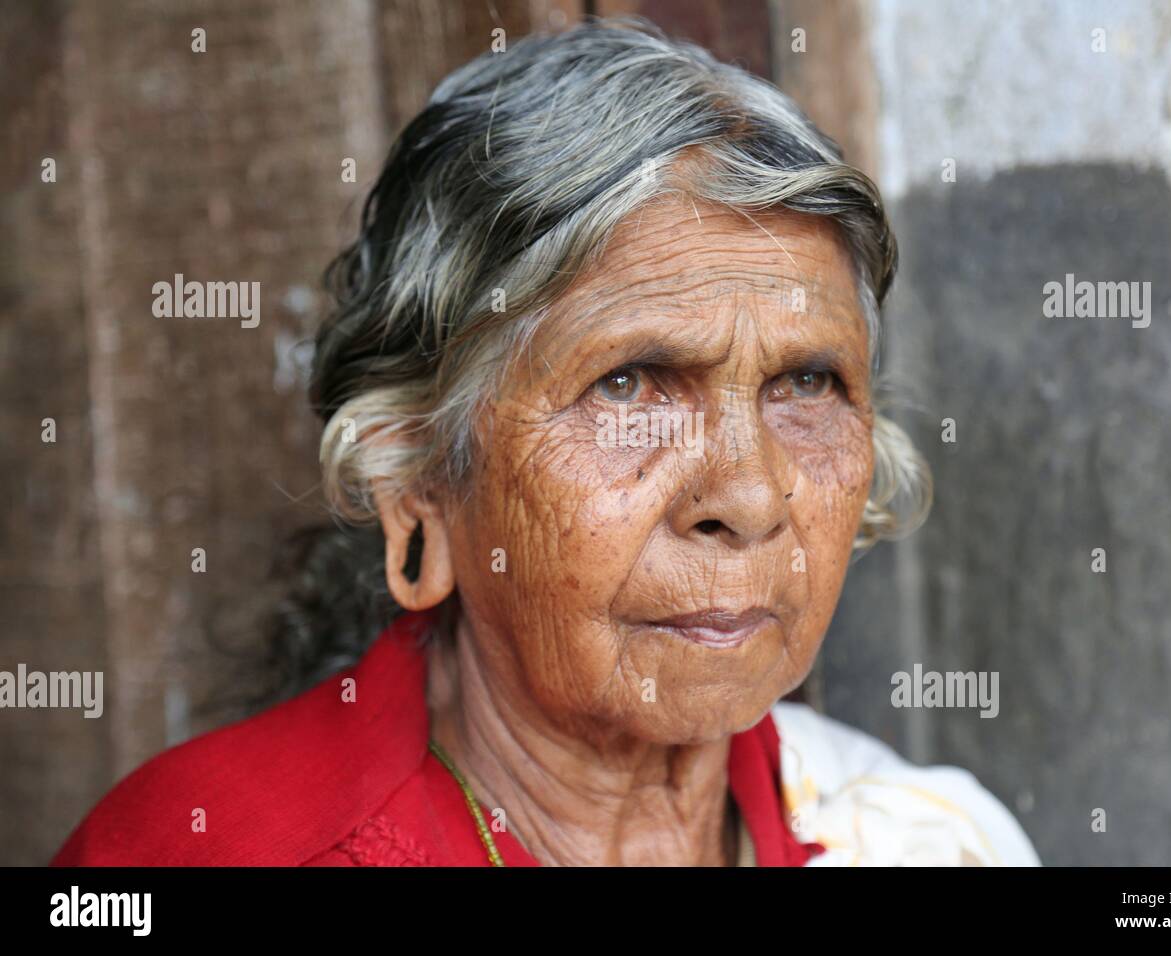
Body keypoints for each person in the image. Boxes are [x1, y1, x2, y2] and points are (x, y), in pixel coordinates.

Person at [51, 17, 1039, 867]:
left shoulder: (923, 839)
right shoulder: (189, 851)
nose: (748, 496)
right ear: (417, 484)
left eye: (806, 383)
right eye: (626, 384)